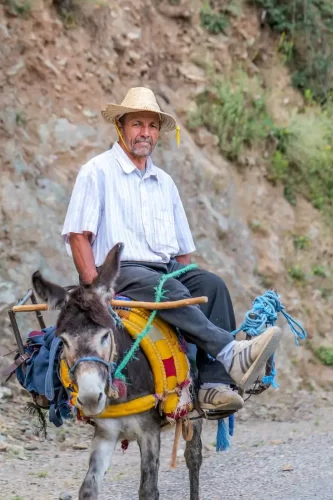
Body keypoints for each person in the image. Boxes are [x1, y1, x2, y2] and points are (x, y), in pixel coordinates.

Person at [60, 87, 283, 415]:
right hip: (118, 272)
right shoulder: (97, 171)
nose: (145, 133)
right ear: (120, 127)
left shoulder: (164, 182)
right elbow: (78, 236)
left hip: (161, 271)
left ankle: (213, 385)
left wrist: (185, 276)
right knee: (171, 288)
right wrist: (96, 290)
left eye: (152, 126)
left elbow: (182, 253)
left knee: (211, 286)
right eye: (137, 124)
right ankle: (230, 352)